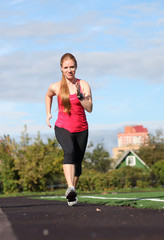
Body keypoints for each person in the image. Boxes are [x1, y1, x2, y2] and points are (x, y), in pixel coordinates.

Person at [46, 53, 93, 206]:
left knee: (78, 164)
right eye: (66, 67)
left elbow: (90, 108)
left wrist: (81, 98)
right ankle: (70, 187)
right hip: (62, 127)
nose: (69, 70)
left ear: (76, 67)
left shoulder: (83, 85)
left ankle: (72, 193)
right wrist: (48, 113)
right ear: (61, 68)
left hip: (81, 129)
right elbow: (48, 96)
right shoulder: (56, 86)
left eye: (72, 67)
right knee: (69, 152)